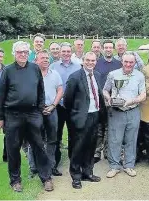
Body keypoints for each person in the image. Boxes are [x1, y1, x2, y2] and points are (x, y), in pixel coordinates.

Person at [0, 41, 53, 192]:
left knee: (39, 147)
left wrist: (40, 109)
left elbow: (41, 90)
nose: (23, 54)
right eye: (20, 52)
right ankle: (15, 180)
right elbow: (0, 95)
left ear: (29, 53)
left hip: (33, 113)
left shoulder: (35, 68)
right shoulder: (7, 71)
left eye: (25, 52)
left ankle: (46, 178)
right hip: (13, 115)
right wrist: (0, 117)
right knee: (13, 149)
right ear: (14, 53)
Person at [103, 52, 146, 178]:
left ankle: (129, 165)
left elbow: (143, 95)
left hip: (133, 111)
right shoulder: (113, 74)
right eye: (126, 62)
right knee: (115, 140)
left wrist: (132, 101)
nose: (128, 64)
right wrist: (109, 98)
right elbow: (105, 90)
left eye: (131, 62)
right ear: (122, 61)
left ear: (134, 63)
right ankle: (114, 166)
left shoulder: (139, 76)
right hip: (116, 112)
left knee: (131, 140)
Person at [64, 52, 104, 189]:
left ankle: (88, 172)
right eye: (88, 60)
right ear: (83, 60)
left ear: (96, 62)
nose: (90, 63)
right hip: (80, 118)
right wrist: (74, 116)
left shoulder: (97, 75)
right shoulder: (74, 77)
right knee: (78, 147)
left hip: (95, 115)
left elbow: (98, 94)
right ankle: (76, 176)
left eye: (93, 60)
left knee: (91, 146)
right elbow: (67, 100)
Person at [50, 42, 81, 165]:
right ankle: (55, 162)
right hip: (58, 106)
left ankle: (73, 159)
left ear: (71, 52)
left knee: (73, 134)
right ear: (60, 52)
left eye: (68, 51)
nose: (66, 54)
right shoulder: (53, 66)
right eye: (64, 51)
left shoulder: (78, 66)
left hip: (73, 106)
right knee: (56, 134)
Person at [35, 50, 64, 176]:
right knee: (37, 140)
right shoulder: (32, 74)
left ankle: (52, 166)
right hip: (36, 111)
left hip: (52, 110)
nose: (46, 60)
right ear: (36, 60)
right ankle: (36, 168)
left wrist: (53, 105)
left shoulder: (55, 74)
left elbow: (60, 90)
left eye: (47, 58)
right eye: (43, 58)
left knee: (52, 140)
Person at [93, 40, 122, 163]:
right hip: (99, 100)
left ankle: (108, 152)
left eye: (111, 47)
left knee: (111, 127)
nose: (108, 49)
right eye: (106, 47)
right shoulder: (97, 63)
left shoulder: (119, 64)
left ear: (114, 49)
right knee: (99, 126)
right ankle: (96, 152)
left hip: (114, 100)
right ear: (102, 49)